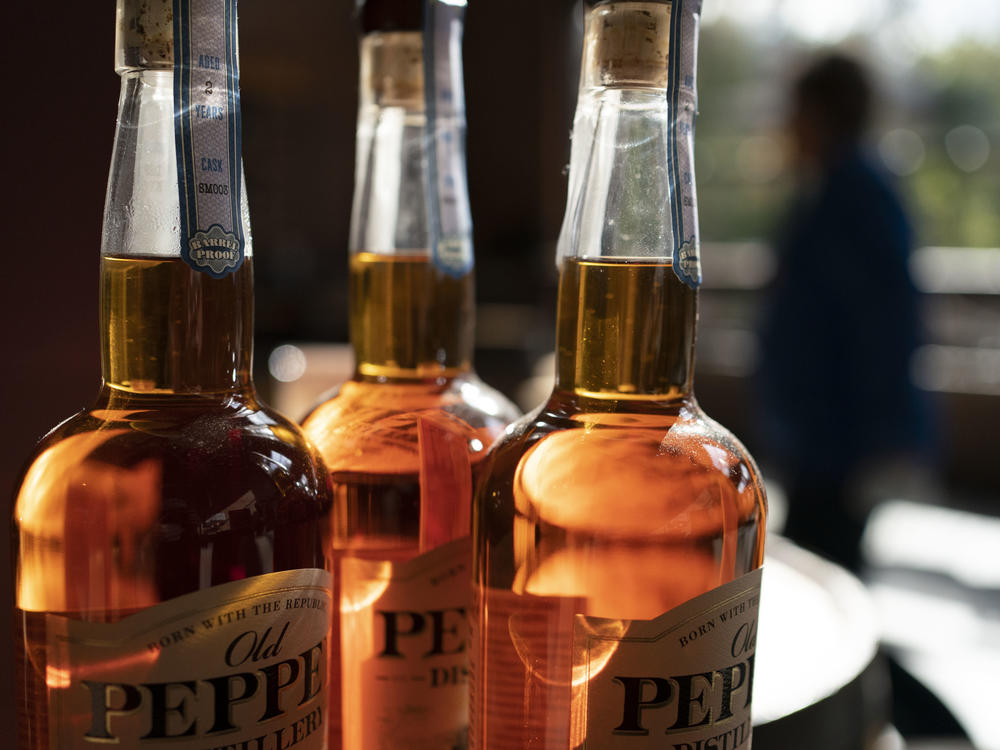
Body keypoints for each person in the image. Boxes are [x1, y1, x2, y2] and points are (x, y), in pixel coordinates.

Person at [757, 53, 936, 570]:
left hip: (839, 445)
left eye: (794, 110)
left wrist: (877, 442)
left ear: (818, 113)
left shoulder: (856, 199)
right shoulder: (834, 192)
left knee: (827, 572)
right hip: (821, 440)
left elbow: (884, 329)